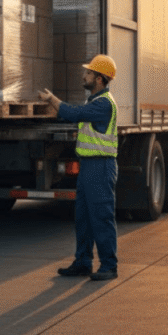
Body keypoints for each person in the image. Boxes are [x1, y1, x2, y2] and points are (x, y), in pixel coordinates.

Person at [38, 54, 119, 281]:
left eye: (89, 73)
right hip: (88, 166)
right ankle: (83, 262)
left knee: (101, 217)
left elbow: (74, 114)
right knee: (83, 217)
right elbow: (75, 117)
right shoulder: (93, 102)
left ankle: (109, 266)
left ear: (100, 79)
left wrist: (52, 99)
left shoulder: (104, 104)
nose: (84, 76)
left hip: (101, 168)